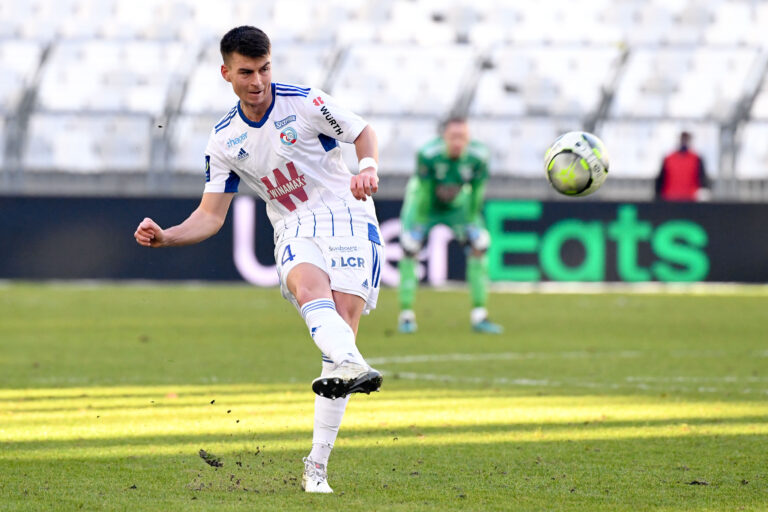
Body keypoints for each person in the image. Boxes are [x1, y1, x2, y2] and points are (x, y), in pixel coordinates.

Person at [134, 26, 383, 494]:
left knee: (342, 327)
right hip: (293, 225)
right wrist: (166, 236)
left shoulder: (305, 102)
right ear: (226, 73)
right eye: (246, 72)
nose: (258, 80)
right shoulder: (225, 139)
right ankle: (350, 363)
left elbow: (362, 131)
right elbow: (210, 216)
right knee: (311, 290)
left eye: (265, 68)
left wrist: (367, 168)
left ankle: (316, 465)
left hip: (347, 213)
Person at [397, 117, 502, 334]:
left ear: (468, 138)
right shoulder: (427, 154)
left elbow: (476, 193)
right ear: (444, 137)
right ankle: (406, 315)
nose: (457, 142)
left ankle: (480, 315)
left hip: (457, 206)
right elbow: (424, 192)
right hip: (424, 204)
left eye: (462, 137)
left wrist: (472, 221)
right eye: (453, 137)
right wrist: (418, 225)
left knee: (479, 247)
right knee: (409, 249)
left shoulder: (478, 157)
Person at [655, 131, 710, 201]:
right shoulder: (668, 158)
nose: (684, 141)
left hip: (690, 200)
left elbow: (702, 179)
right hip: (670, 199)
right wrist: (658, 198)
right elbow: (660, 180)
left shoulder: (696, 158)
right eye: (682, 139)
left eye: (686, 139)